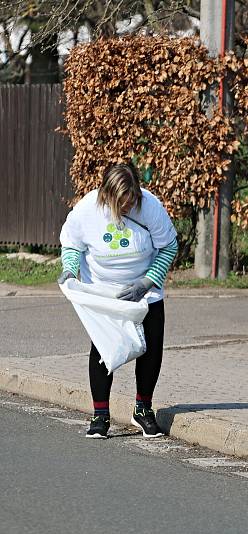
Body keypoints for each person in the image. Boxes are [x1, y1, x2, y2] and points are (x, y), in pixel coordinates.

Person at [58, 163, 178, 439]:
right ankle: (100, 415)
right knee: (103, 350)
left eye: (131, 201)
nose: (127, 207)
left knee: (151, 349)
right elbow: (72, 244)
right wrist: (70, 268)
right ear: (106, 195)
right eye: (120, 203)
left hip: (144, 289)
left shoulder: (150, 207)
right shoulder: (87, 210)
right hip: (103, 292)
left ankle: (143, 409)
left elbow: (168, 245)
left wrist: (147, 282)